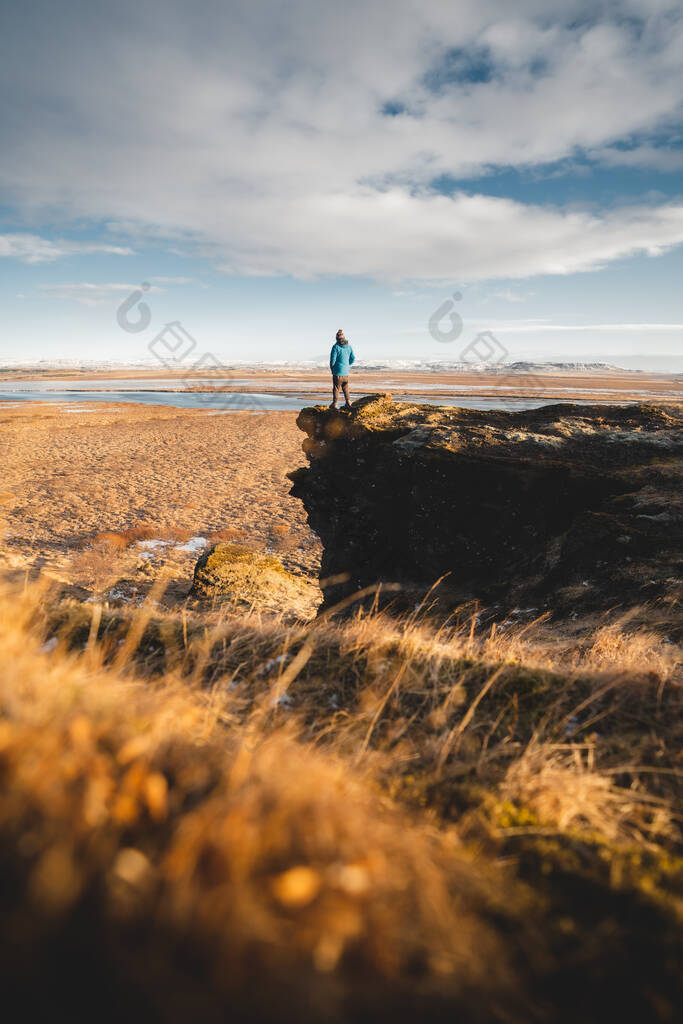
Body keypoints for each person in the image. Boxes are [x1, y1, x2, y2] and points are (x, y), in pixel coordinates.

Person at [329, 328, 355, 409]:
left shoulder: (335, 347)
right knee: (345, 388)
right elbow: (353, 358)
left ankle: (335, 403)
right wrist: (347, 365)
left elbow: (333, 360)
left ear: (337, 338)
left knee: (336, 388)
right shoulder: (349, 347)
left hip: (337, 372)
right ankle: (348, 402)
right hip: (346, 372)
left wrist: (332, 368)